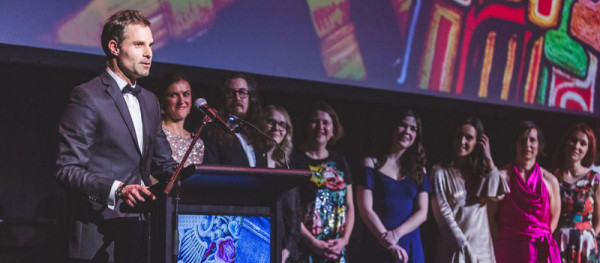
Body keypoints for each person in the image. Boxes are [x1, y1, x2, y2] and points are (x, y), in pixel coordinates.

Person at [55, 10, 178, 262]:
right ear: (114, 47)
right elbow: (66, 169)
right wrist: (118, 190)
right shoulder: (87, 96)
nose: (149, 53)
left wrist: (195, 179)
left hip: (141, 232)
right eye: (139, 44)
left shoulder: (150, 101)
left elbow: (164, 164)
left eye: (151, 45)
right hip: (97, 233)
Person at [356, 109, 430, 263]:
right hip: (378, 243)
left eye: (413, 129)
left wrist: (396, 234)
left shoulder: (419, 169)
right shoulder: (370, 163)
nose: (407, 132)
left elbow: (423, 212)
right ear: (393, 127)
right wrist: (388, 241)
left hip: (409, 244)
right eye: (403, 125)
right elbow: (365, 209)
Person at [430, 117, 507, 263]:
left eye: (469, 138)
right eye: (459, 136)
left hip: (483, 251)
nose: (462, 141)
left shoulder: (481, 173)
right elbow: (443, 214)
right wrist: (463, 247)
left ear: (477, 142)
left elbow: (499, 195)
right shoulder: (440, 172)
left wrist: (489, 159)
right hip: (455, 248)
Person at [489, 120, 561, 263]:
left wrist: (533, 238)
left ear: (539, 145)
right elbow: (490, 217)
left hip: (540, 251)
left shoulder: (550, 180)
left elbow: (553, 220)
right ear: (516, 144)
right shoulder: (502, 176)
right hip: (509, 250)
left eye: (532, 140)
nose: (527, 145)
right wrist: (506, 242)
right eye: (522, 140)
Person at [292, 101, 354, 263]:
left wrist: (344, 240)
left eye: (326, 123)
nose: (320, 126)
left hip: (336, 249)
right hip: (305, 248)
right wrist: (312, 242)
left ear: (333, 130)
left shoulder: (339, 160)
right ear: (306, 127)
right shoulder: (295, 160)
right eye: (315, 121)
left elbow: (350, 206)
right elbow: (288, 208)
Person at [254, 105, 300, 263]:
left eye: (282, 124)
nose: (276, 128)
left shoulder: (286, 166)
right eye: (271, 121)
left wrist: (286, 250)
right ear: (261, 124)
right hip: (253, 237)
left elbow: (293, 214)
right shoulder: (251, 158)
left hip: (281, 249)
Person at [551, 123, 600, 262]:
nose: (576, 146)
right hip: (558, 244)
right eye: (573, 140)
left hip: (585, 245)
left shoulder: (594, 179)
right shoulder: (553, 178)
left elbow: (598, 221)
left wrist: (588, 239)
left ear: (588, 149)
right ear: (566, 142)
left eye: (583, 143)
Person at [202, 72, 263, 166]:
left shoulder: (258, 134)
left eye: (242, 92)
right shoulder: (211, 135)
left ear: (250, 98)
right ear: (222, 98)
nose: (237, 98)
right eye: (230, 92)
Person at [156, 71, 204, 166]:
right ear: (163, 101)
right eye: (174, 95)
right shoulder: (155, 134)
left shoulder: (198, 143)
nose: (181, 101)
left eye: (186, 94)